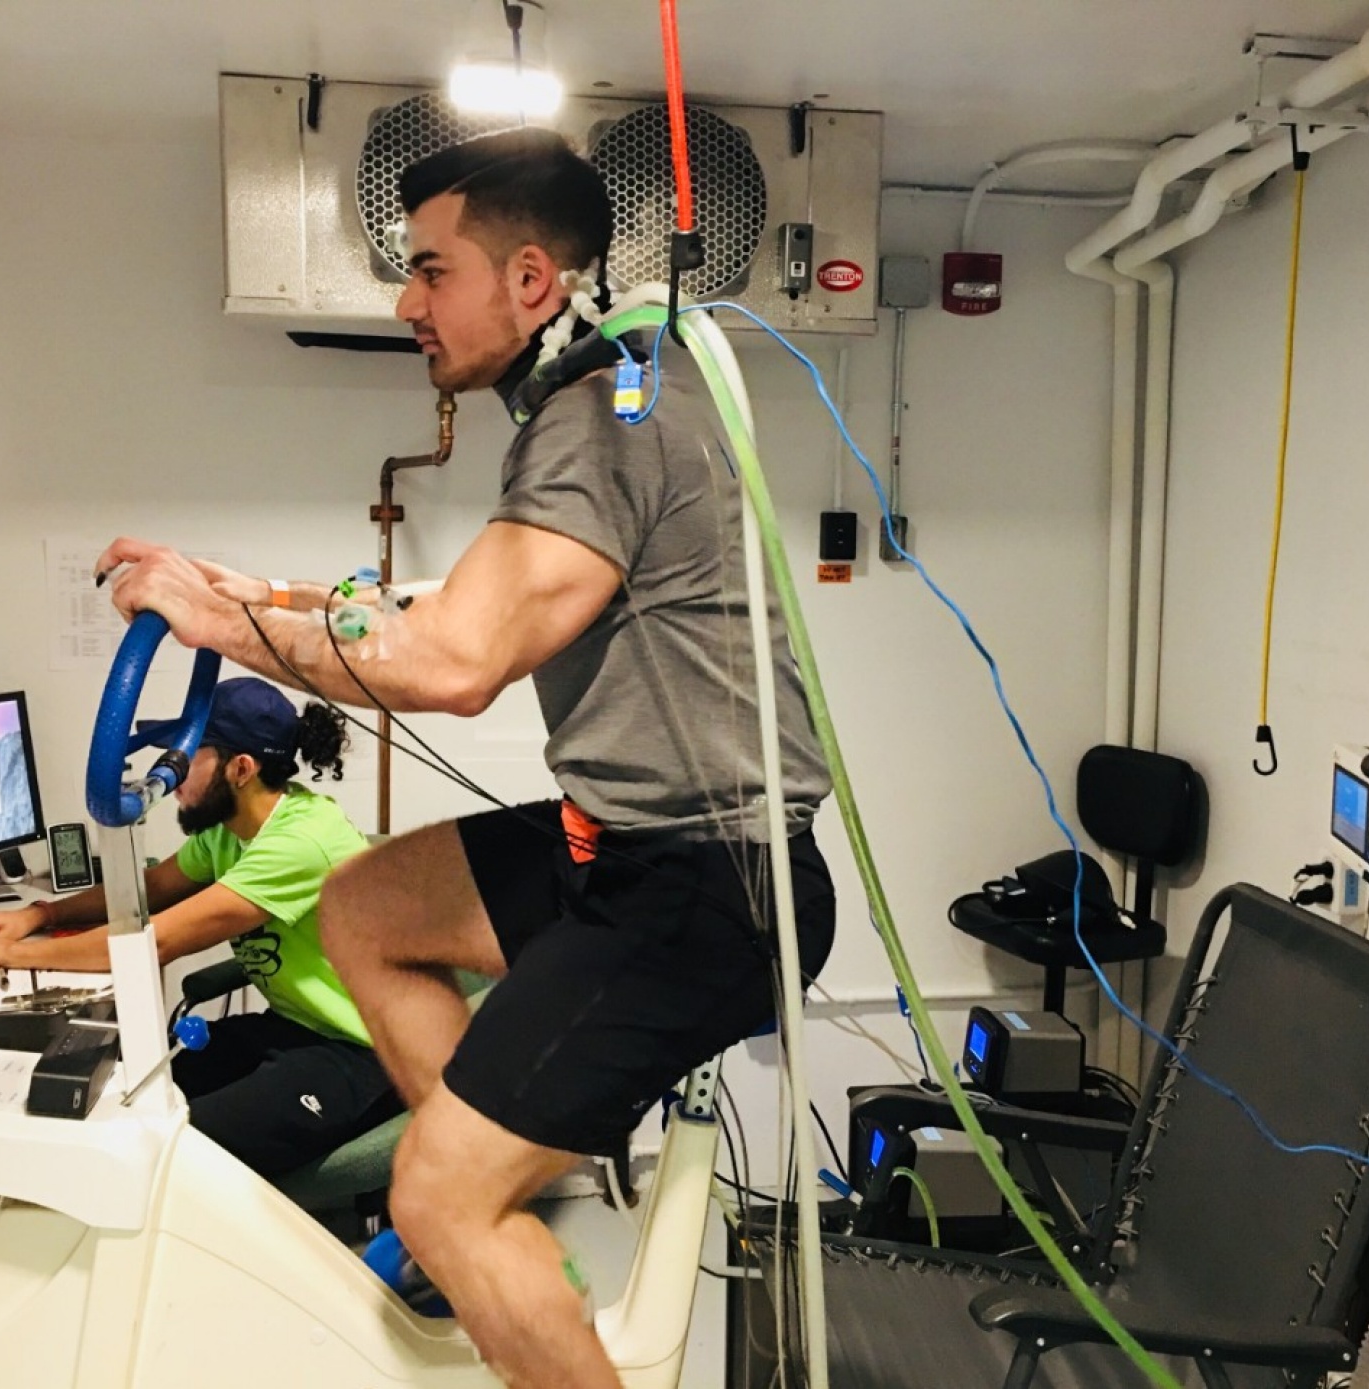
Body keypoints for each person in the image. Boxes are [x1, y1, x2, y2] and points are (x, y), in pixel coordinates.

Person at [94, 127, 836, 1389]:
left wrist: (224, 623)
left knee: (435, 1200)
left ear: (533, 280)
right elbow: (441, 605)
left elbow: (450, 664)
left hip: (713, 886)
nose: (404, 302)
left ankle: (466, 1208)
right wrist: (248, 590)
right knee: (368, 905)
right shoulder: (598, 402)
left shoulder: (603, 420)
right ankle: (499, 1195)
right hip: (630, 844)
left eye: (432, 271)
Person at [0, 676, 395, 1179]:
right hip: (296, 1028)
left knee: (171, 1154)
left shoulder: (300, 843)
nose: (172, 776)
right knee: (134, 1097)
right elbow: (148, 889)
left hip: (366, 1055)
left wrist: (8, 957)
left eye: (187, 760)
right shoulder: (229, 832)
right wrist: (38, 916)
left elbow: (155, 941)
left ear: (241, 768)